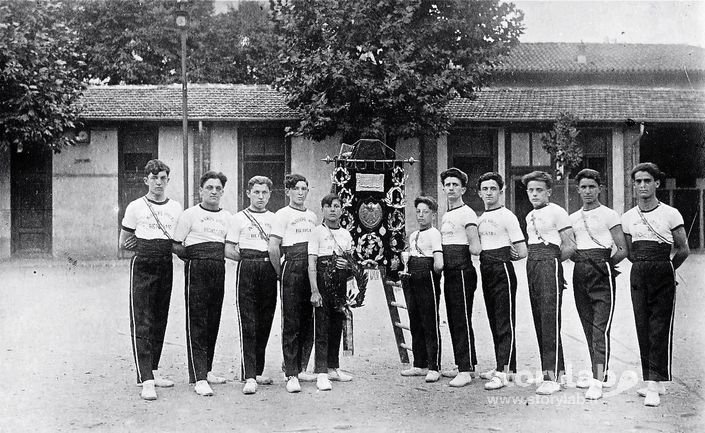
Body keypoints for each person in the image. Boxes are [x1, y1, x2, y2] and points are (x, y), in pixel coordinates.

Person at [621, 162, 689, 407]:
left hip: (663, 270)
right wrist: (643, 266)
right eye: (638, 181)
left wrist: (667, 269)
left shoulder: (671, 213)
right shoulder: (628, 217)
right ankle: (654, 380)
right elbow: (629, 251)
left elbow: (683, 250)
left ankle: (653, 384)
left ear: (657, 183)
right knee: (643, 325)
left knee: (659, 326)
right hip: (639, 272)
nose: (642, 186)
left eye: (647, 181)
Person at [119, 159, 182, 401]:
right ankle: (145, 378)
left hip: (165, 262)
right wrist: (138, 245)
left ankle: (152, 370)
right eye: (154, 177)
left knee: (160, 317)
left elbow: (178, 238)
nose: (158, 182)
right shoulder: (135, 206)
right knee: (142, 319)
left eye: (163, 177)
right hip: (143, 263)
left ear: (168, 180)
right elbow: (123, 241)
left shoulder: (176, 207)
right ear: (146, 180)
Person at [569, 169, 627, 400]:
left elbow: (622, 249)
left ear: (600, 188)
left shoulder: (609, 214)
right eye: (583, 187)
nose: (587, 191)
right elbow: (570, 248)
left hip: (602, 272)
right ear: (578, 189)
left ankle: (598, 379)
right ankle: (598, 370)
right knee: (587, 325)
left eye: (592, 186)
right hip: (579, 273)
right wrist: (582, 262)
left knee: (599, 329)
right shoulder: (572, 218)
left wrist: (603, 265)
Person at [172, 171, 231, 397]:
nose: (214, 192)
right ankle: (198, 377)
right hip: (197, 267)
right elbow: (176, 244)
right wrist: (195, 259)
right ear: (201, 190)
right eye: (209, 188)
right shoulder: (190, 214)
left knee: (213, 319)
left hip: (218, 267)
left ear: (222, 192)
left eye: (218, 188)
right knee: (197, 319)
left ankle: (206, 369)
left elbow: (228, 244)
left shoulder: (227, 216)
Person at [523, 170, 576, 395]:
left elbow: (570, 244)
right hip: (532, 263)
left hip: (549, 263)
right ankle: (557, 372)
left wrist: (552, 262)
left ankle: (551, 376)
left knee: (549, 318)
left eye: (539, 190)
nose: (534, 194)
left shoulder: (558, 212)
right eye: (530, 190)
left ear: (549, 192)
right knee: (539, 318)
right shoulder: (528, 215)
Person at [225, 176, 278, 395]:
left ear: (270, 195)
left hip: (269, 268)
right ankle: (248, 376)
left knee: (265, 320)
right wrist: (248, 259)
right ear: (248, 193)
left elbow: (278, 247)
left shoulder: (276, 218)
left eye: (264, 193)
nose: (260, 197)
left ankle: (257, 371)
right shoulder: (238, 218)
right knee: (249, 321)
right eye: (256, 192)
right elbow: (228, 249)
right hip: (247, 268)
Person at [476, 172, 527, 390]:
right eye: (485, 189)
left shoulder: (508, 216)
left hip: (502, 270)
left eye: (493, 189)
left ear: (501, 191)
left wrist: (507, 255)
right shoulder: (479, 218)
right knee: (494, 320)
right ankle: (506, 367)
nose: (489, 193)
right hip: (486, 268)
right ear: (479, 193)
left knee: (504, 320)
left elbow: (522, 250)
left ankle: (503, 371)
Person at [268, 174, 319, 393]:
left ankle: (299, 367)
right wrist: (281, 273)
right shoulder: (282, 214)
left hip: (311, 267)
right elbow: (273, 247)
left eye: (304, 188)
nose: (300, 192)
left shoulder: (312, 215)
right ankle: (291, 373)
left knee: (309, 319)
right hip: (291, 266)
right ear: (288, 191)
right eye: (296, 188)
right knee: (291, 321)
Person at [438, 168, 482, 387]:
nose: (451, 188)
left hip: (463, 271)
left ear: (463, 189)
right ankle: (466, 363)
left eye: (455, 184)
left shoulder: (467, 213)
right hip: (451, 272)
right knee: (455, 318)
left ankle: (464, 370)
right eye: (448, 185)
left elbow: (475, 247)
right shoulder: (447, 215)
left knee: (461, 317)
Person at [307, 193, 355, 391]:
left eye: (336, 206)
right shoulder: (316, 232)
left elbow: (352, 263)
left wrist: (348, 265)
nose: (333, 209)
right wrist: (314, 291)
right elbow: (311, 263)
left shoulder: (346, 234)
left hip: (340, 281)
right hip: (322, 278)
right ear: (323, 210)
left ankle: (333, 367)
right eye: (328, 206)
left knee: (337, 324)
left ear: (342, 210)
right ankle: (321, 372)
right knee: (322, 326)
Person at [400, 196, 444, 383]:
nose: (421, 215)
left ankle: (434, 366)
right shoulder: (413, 235)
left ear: (433, 214)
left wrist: (430, 274)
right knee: (415, 320)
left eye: (425, 211)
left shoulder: (434, 233)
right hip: (412, 277)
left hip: (427, 277)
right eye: (418, 211)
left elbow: (438, 262)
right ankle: (419, 363)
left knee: (429, 321)